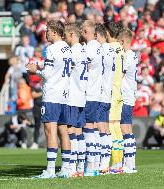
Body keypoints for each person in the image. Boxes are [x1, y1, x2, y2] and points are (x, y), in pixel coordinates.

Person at [27, 20, 73, 179]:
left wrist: (35, 71)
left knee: (50, 130)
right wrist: (41, 67)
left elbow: (47, 74)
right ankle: (66, 168)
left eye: (47, 30)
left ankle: (51, 169)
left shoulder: (50, 49)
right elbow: (58, 68)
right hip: (65, 95)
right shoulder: (68, 48)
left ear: (54, 32)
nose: (45, 33)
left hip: (52, 94)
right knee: (63, 132)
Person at [64, 23, 88, 177]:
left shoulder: (73, 51)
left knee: (69, 131)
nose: (65, 39)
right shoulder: (84, 51)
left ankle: (71, 168)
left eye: (66, 36)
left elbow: (65, 72)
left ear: (72, 35)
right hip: (82, 95)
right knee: (79, 132)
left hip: (72, 95)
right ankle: (80, 167)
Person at [81, 20, 103, 176]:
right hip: (97, 92)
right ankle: (94, 165)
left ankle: (90, 166)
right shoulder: (99, 47)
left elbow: (85, 66)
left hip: (89, 92)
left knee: (88, 128)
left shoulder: (91, 47)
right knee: (93, 128)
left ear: (84, 31)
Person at [117, 27, 139, 173]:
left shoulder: (128, 56)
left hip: (125, 96)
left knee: (125, 128)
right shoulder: (133, 55)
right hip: (129, 94)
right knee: (127, 128)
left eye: (119, 42)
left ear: (123, 41)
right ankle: (130, 162)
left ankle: (129, 164)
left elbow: (120, 71)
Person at [104, 21, 124, 174]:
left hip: (111, 91)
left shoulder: (108, 49)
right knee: (116, 127)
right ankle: (118, 161)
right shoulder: (122, 49)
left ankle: (114, 162)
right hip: (119, 91)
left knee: (111, 127)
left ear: (107, 33)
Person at [95, 23, 113, 174]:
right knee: (105, 128)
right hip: (107, 93)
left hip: (100, 93)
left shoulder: (100, 50)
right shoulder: (112, 50)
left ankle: (102, 162)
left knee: (100, 128)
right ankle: (105, 161)